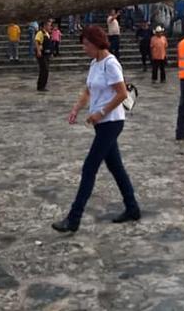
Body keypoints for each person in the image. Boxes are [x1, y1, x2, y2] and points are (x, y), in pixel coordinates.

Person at [52, 26, 140, 233]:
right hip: (102, 124)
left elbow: (121, 94)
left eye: (86, 44)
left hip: (112, 122)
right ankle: (133, 208)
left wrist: (100, 112)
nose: (84, 49)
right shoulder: (94, 63)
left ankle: (74, 218)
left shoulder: (111, 64)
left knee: (89, 167)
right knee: (116, 167)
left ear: (97, 43)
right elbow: (88, 91)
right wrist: (76, 109)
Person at [35, 20, 52, 92]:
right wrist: (38, 51)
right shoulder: (40, 33)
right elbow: (36, 41)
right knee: (44, 70)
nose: (50, 27)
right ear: (45, 26)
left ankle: (43, 85)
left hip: (46, 54)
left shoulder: (47, 33)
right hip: (42, 54)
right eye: (49, 25)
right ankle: (41, 86)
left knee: (45, 70)